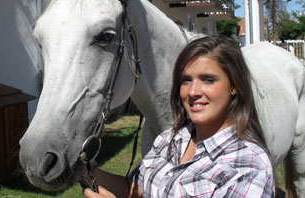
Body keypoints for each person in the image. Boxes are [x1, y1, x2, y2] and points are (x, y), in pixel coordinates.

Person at [83, 36, 275, 198]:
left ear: (235, 86)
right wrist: (79, 169)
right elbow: (134, 187)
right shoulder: (172, 139)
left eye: (208, 79)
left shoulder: (248, 166)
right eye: (186, 80)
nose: (193, 91)